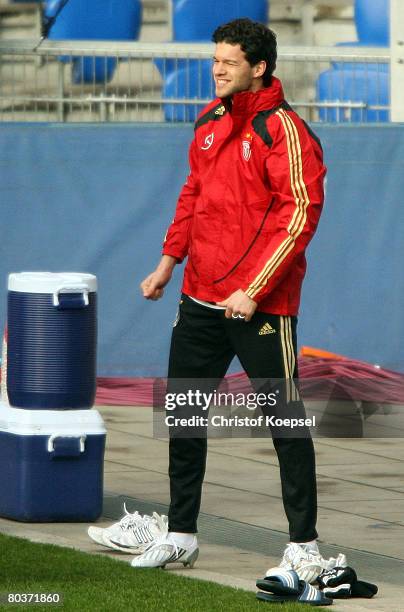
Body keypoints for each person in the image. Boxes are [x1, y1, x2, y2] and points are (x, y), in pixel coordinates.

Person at [91, 17, 327, 575]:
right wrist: (167, 263)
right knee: (184, 414)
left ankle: (305, 546)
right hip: (199, 296)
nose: (216, 68)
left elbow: (301, 216)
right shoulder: (208, 122)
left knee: (285, 421)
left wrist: (254, 288)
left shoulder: (284, 130)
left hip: (261, 305)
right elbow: (193, 195)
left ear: (259, 67)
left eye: (228, 61)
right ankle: (181, 534)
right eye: (215, 58)